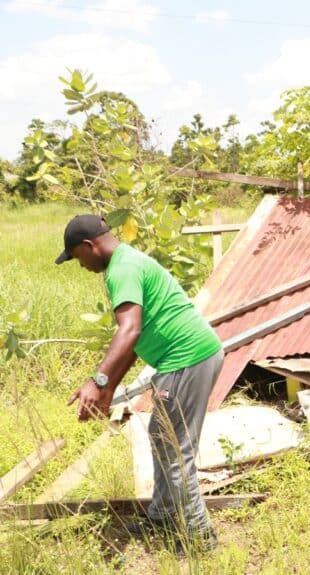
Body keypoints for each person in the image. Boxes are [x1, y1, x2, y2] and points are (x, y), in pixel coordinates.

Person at [57, 214, 223, 552]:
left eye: (77, 257)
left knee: (177, 451)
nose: (80, 265)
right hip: (188, 357)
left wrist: (97, 380)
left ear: (90, 246)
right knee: (163, 438)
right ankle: (161, 517)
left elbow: (128, 329)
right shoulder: (128, 260)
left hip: (187, 359)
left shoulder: (122, 268)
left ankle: (200, 539)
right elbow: (134, 341)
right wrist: (108, 391)